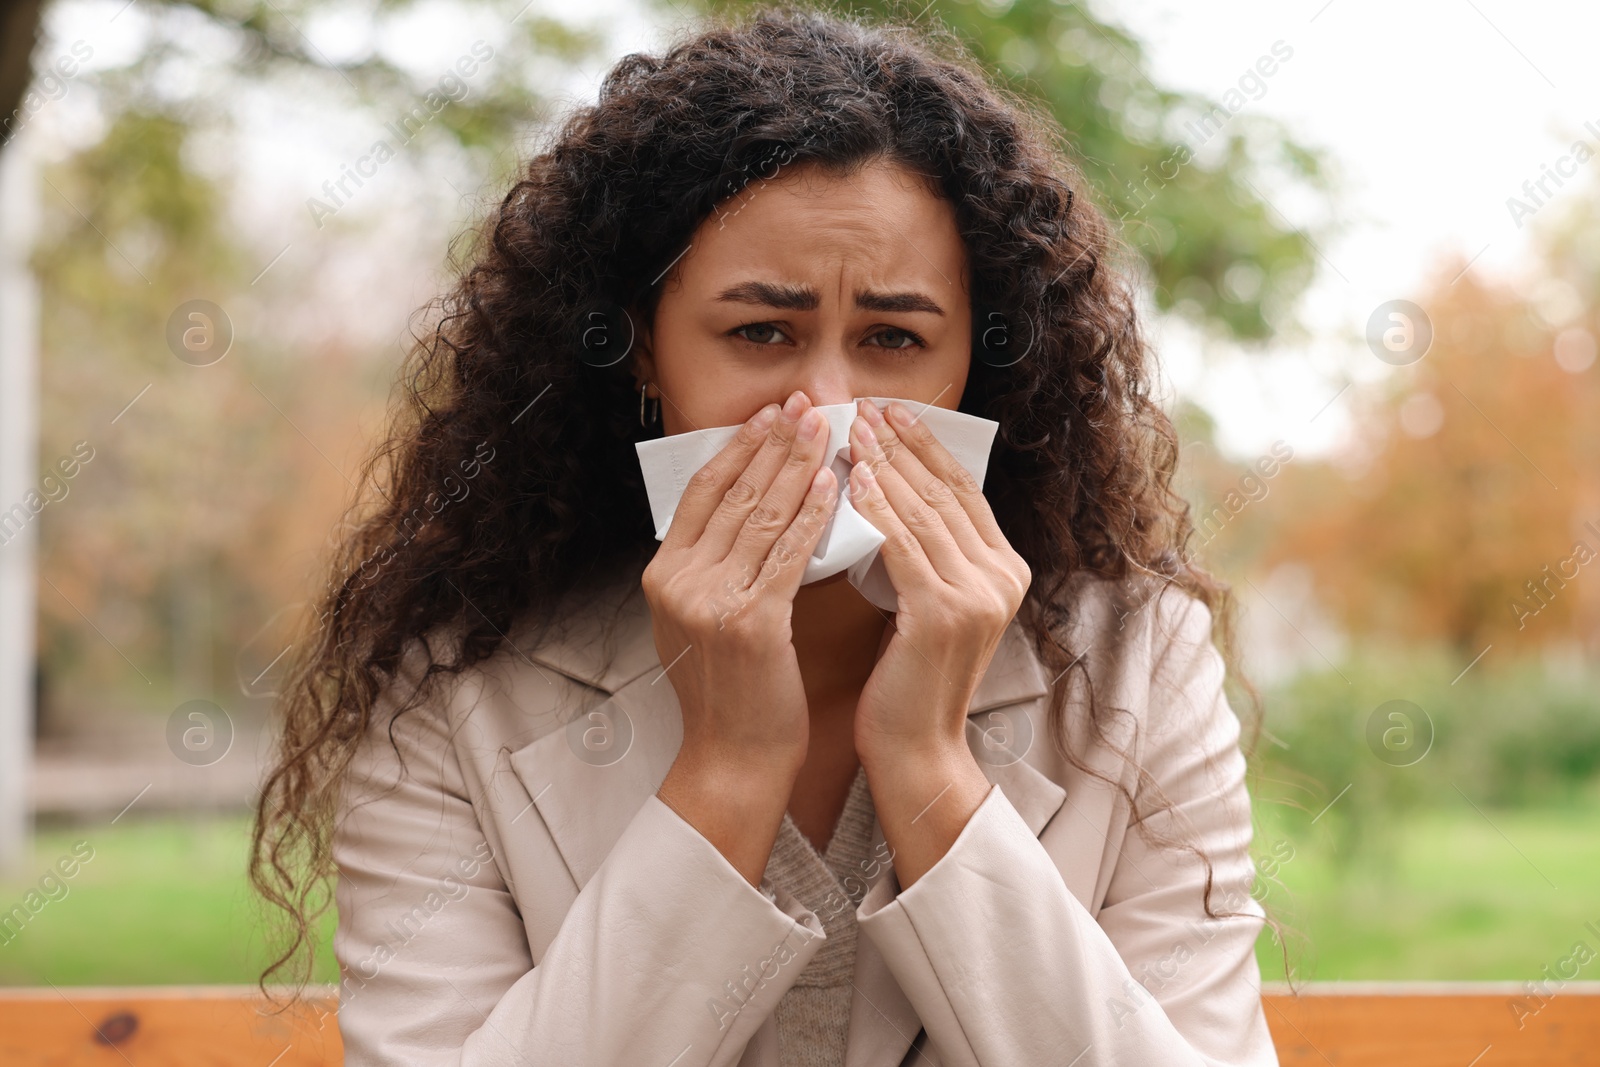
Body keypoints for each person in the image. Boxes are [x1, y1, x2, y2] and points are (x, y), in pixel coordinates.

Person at [250, 7, 1283, 1065]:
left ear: (977, 362)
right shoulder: (454, 682)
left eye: (893, 338)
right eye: (760, 333)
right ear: (645, 351)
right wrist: (729, 771)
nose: (823, 407)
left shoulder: (1134, 661)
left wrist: (930, 767)